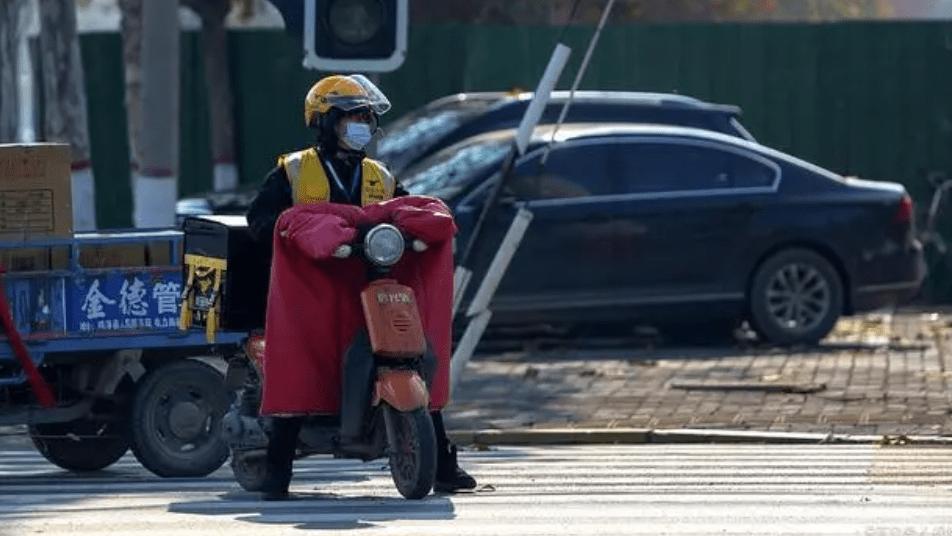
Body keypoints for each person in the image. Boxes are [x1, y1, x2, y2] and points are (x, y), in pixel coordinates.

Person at [245, 74, 476, 501]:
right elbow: (261, 223)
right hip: (314, 292)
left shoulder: (380, 175)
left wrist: (414, 234)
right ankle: (276, 473)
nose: (363, 124)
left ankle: (443, 465)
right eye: (353, 115)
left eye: (367, 117)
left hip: (372, 285)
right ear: (326, 121)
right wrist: (303, 235)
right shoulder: (294, 171)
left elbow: (405, 210)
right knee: (301, 367)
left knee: (415, 353)